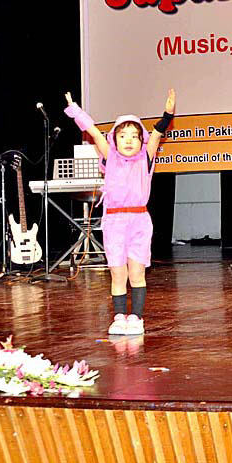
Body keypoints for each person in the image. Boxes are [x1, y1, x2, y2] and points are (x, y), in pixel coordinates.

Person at [64, 89, 175, 335]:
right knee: (117, 271)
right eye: (122, 135)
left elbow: (157, 133)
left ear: (141, 141)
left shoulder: (146, 157)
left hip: (139, 221)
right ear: (114, 139)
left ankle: (136, 317)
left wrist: (168, 114)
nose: (128, 140)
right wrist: (75, 110)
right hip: (114, 221)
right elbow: (93, 131)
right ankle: (118, 317)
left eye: (134, 136)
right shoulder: (110, 157)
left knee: (136, 272)